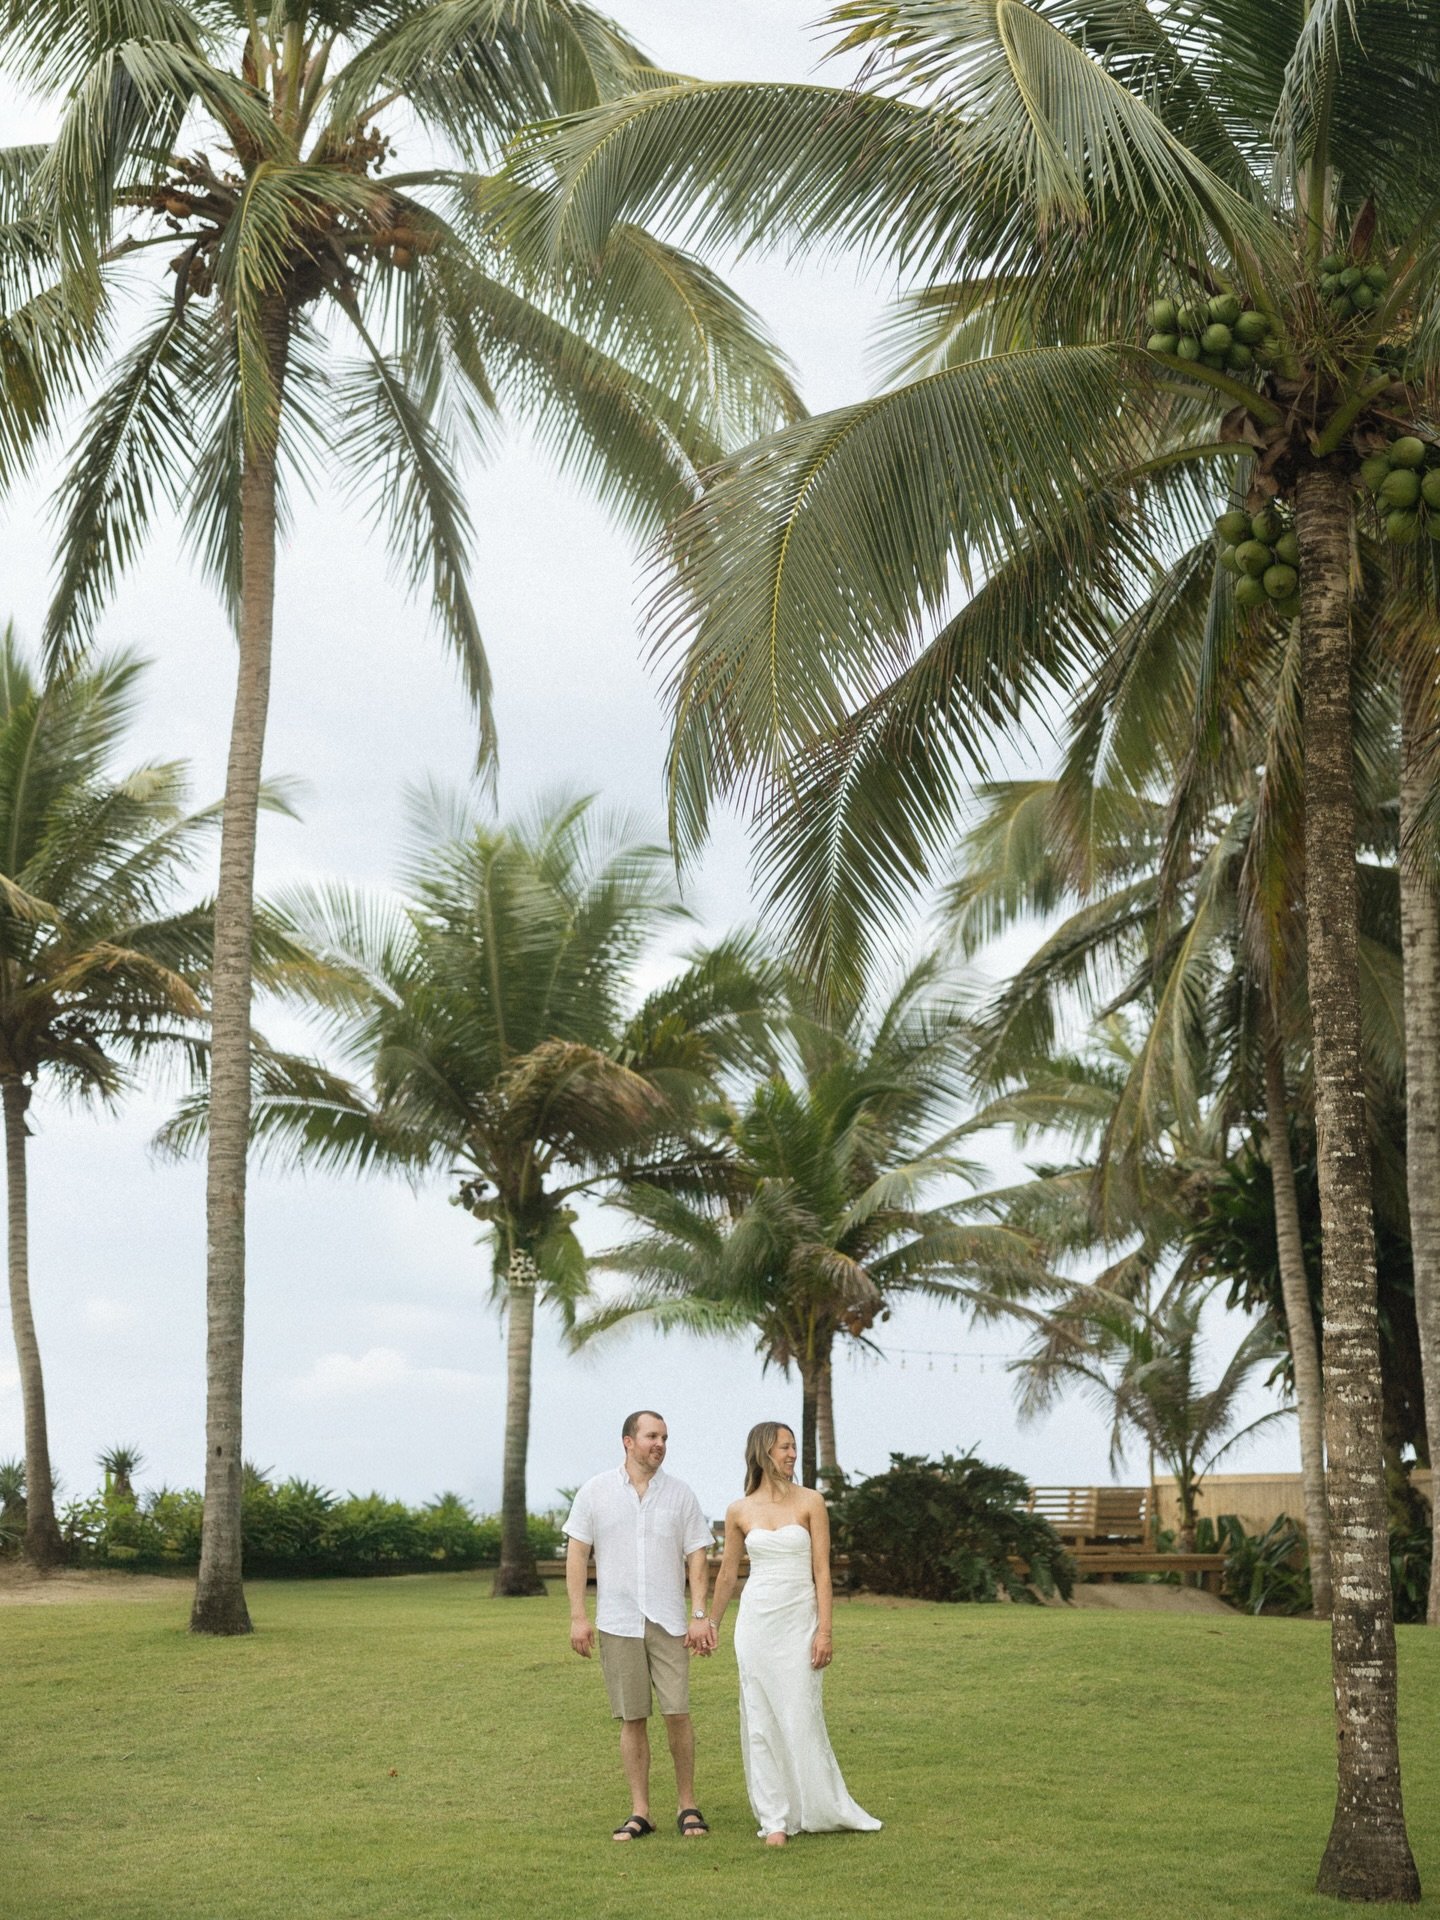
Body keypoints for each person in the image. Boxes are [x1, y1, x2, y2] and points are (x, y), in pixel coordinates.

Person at [709, 1420, 882, 1846]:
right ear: (763, 1451)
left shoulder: (811, 1502)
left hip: (798, 1621)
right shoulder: (739, 1510)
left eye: (793, 1447)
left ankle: (818, 1806)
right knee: (759, 1720)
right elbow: (729, 1573)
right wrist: (709, 1621)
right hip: (755, 1624)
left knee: (800, 1714)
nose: (792, 1455)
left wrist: (825, 1631)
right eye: (785, 1448)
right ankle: (775, 1819)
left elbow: (822, 1571)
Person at [565, 1409, 717, 1841]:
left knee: (678, 1714)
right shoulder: (595, 1492)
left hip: (670, 1622)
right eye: (652, 1436)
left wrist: (699, 1614)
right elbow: (577, 1554)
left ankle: (687, 1805)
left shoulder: (681, 1495)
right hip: (618, 1622)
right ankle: (641, 1811)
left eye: (665, 1437)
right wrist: (578, 1616)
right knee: (632, 1718)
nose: (660, 1444)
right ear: (627, 1442)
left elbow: (697, 1555)